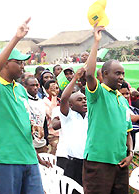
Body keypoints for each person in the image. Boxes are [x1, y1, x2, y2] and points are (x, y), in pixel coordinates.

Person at [0, 18, 44, 194]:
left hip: (29, 158)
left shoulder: (21, 89)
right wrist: (16, 38)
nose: (23, 67)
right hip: (5, 159)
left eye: (24, 63)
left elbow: (18, 117)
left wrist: (33, 126)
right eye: (19, 62)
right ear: (5, 63)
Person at [83, 24, 133, 194]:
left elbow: (127, 132)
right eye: (117, 73)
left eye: (122, 74)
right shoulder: (98, 94)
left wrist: (130, 153)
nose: (121, 77)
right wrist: (96, 42)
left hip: (121, 163)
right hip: (99, 162)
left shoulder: (123, 101)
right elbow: (89, 74)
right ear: (104, 74)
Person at [60, 67, 88, 186]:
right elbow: (64, 99)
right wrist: (75, 78)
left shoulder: (89, 115)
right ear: (71, 105)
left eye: (85, 99)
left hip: (89, 163)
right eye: (79, 100)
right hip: (73, 164)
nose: (84, 101)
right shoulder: (68, 116)